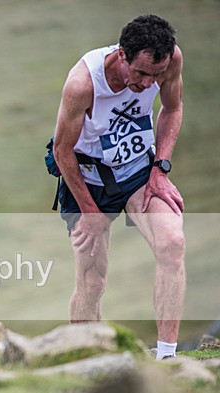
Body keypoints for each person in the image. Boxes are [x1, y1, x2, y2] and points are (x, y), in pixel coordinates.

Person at [52, 14, 184, 359]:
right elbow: (62, 150)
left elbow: (172, 108)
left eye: (156, 75)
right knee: (92, 282)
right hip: (88, 180)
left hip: (139, 171)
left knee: (172, 243)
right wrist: (90, 212)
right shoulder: (83, 83)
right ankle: (83, 360)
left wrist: (161, 170)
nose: (147, 84)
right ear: (121, 54)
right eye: (141, 74)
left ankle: (167, 357)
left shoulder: (170, 61)